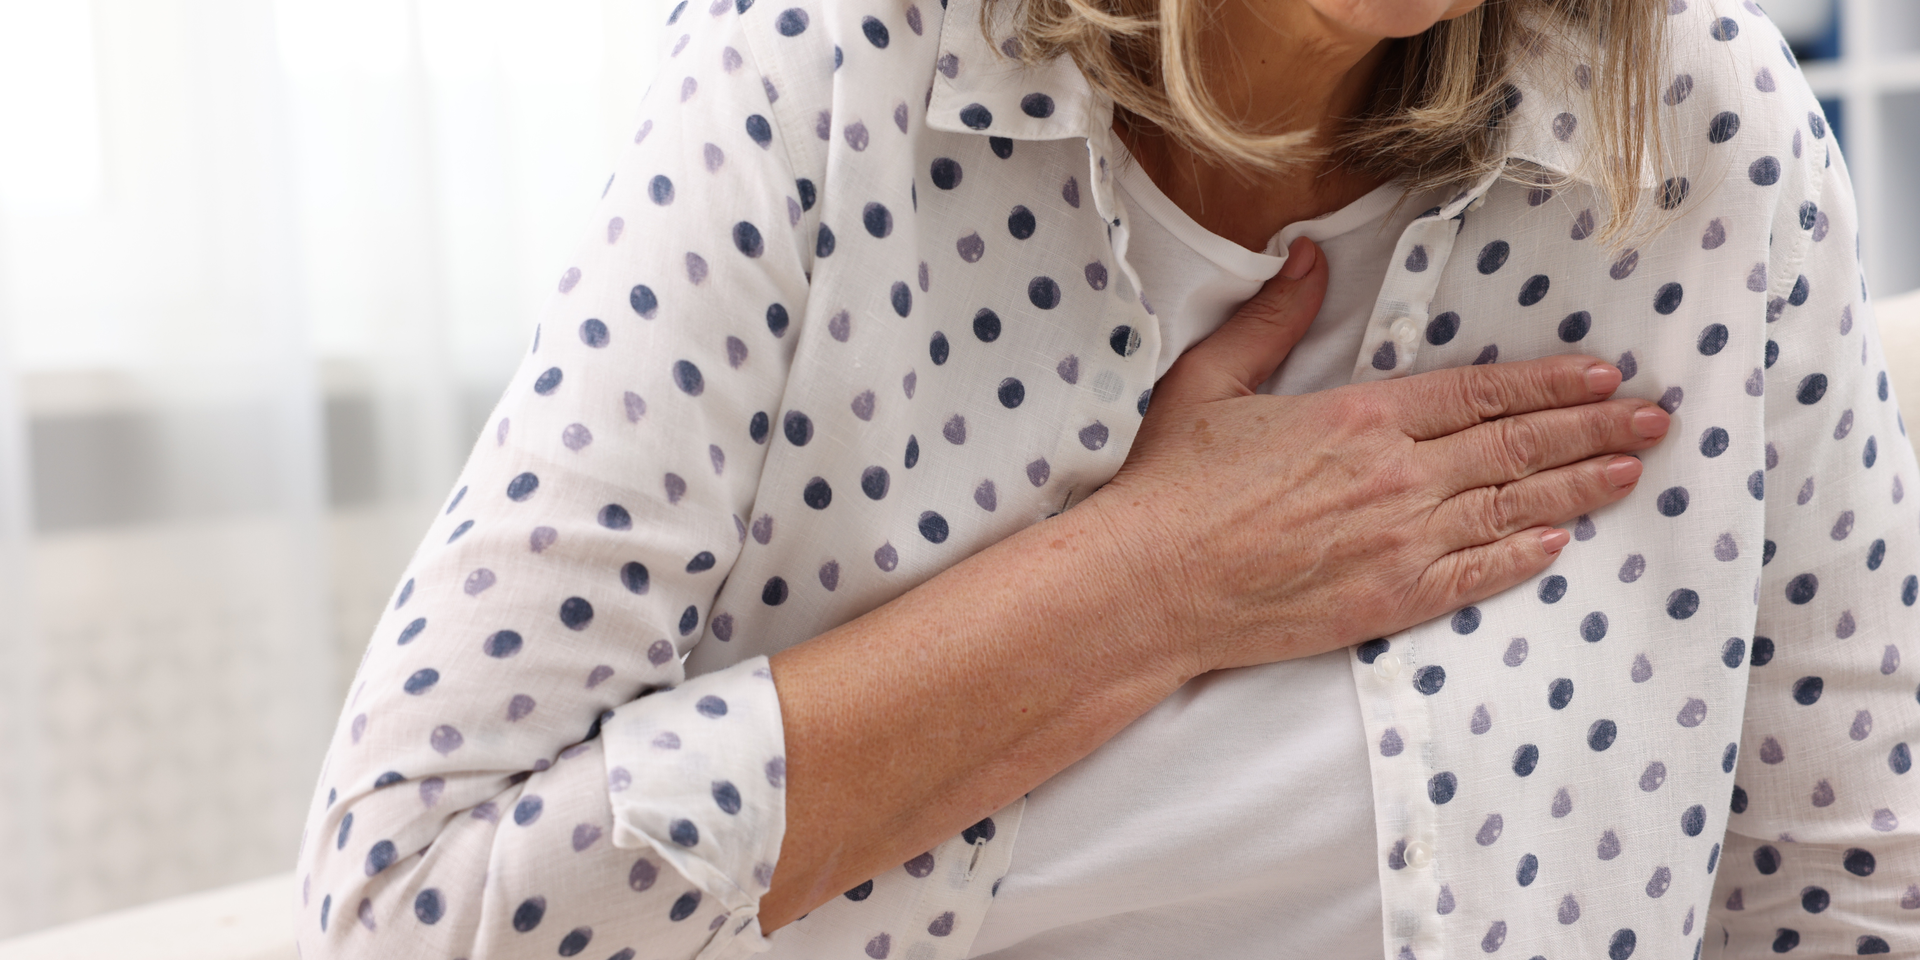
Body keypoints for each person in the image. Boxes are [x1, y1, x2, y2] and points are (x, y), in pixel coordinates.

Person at [293, 0, 1920, 955]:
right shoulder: (827, 76)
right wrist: (1144, 587)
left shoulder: (1703, 138)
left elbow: (1846, 895)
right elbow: (411, 902)